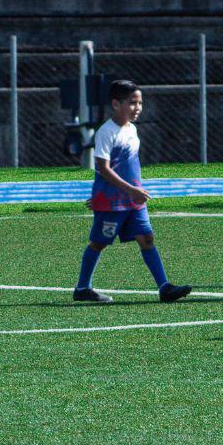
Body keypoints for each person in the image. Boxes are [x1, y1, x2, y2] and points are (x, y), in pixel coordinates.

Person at [74, 79, 192, 304]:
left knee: (147, 239)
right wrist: (115, 192)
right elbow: (103, 168)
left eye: (140, 103)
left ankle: (164, 287)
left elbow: (123, 167)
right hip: (114, 203)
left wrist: (131, 192)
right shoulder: (106, 132)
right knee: (99, 242)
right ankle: (82, 288)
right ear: (116, 104)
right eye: (132, 103)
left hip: (133, 200)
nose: (137, 107)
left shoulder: (133, 129)